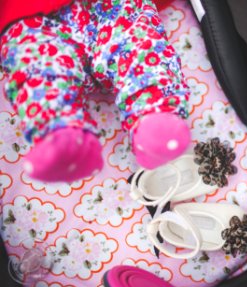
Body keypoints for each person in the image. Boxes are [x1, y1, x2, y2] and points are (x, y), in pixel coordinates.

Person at [0, 0, 191, 182]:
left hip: (110, 9)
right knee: (36, 66)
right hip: (29, 19)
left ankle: (154, 123)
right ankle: (62, 139)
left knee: (140, 44)